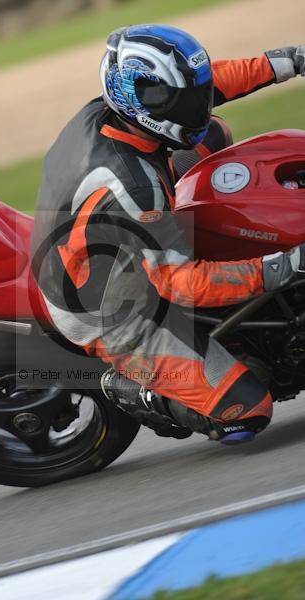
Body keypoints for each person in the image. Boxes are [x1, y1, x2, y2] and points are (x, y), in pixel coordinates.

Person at [32, 25, 305, 444]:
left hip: (111, 237)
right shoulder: (134, 187)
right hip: (111, 307)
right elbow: (183, 286)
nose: (201, 104)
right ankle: (121, 386)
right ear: (145, 105)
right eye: (186, 101)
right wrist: (286, 264)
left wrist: (291, 60)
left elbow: (211, 81)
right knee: (245, 413)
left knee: (213, 134)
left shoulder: (117, 110)